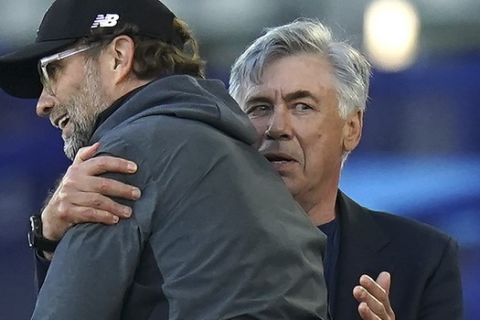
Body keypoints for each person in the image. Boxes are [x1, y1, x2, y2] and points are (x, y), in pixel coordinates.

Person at [15, 17, 463, 320]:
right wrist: (50, 237)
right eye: (259, 107)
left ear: (351, 128)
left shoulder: (422, 257)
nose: (277, 128)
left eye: (302, 106)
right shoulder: (152, 209)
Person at [0, 1, 330, 319]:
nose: (42, 104)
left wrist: (45, 238)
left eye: (52, 71)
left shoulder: (122, 157)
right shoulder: (245, 160)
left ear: (118, 57)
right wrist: (47, 238)